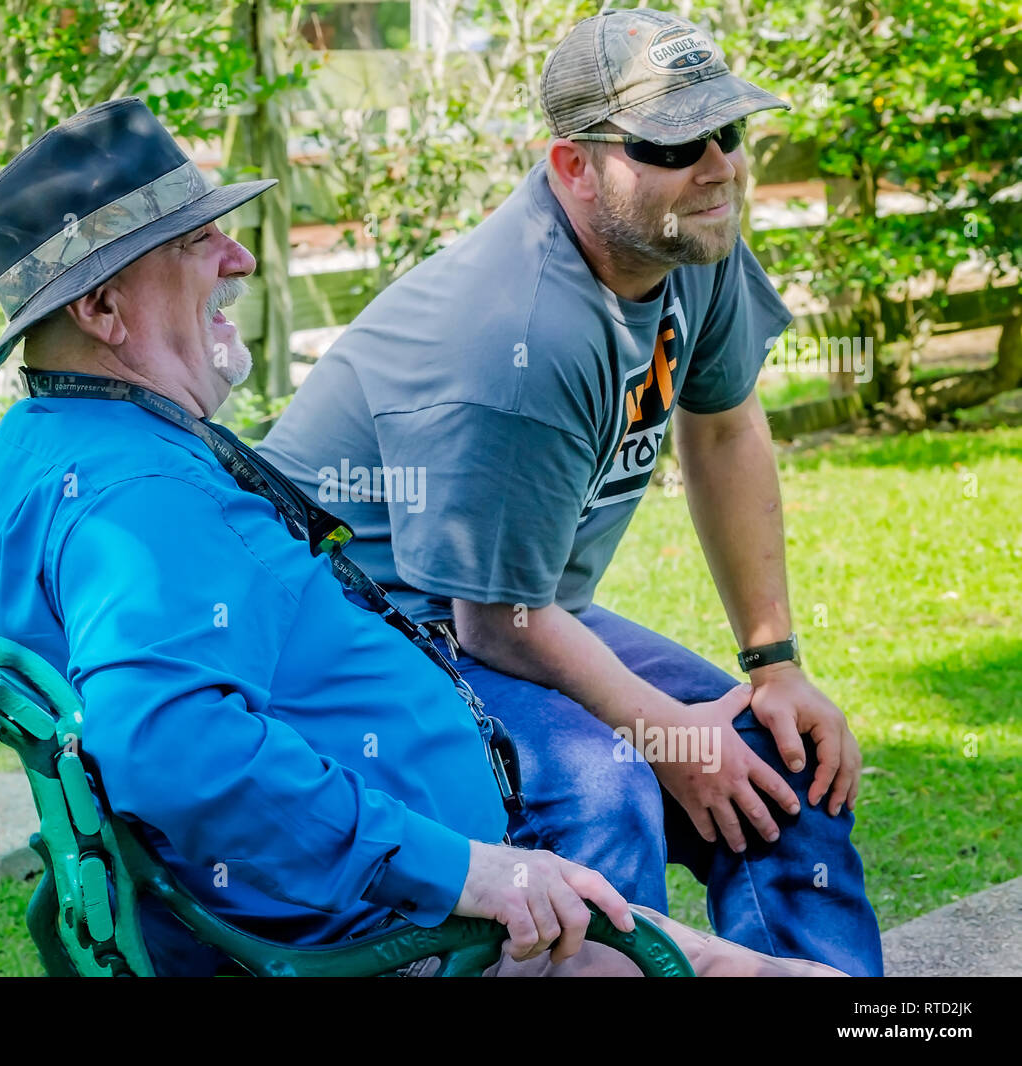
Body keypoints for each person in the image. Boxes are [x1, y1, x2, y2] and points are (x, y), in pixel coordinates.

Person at [0, 98, 839, 977]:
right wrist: (468, 874)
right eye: (199, 242)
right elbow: (170, 747)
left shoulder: (30, 455)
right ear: (100, 310)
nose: (241, 259)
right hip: (387, 937)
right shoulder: (147, 498)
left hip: (351, 903)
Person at [257, 10, 883, 975]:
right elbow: (494, 623)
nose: (718, 166)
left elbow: (722, 426)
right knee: (604, 783)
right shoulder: (519, 336)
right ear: (573, 165)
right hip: (362, 630)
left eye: (731, 132)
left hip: (501, 604)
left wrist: (776, 664)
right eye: (672, 143)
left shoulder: (688, 237)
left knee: (780, 761)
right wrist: (661, 730)